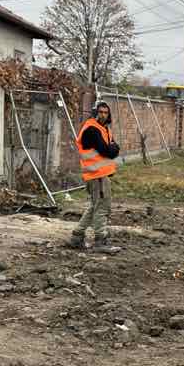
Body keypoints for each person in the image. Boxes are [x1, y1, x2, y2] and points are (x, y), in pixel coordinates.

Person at [70, 101, 121, 253]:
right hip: (97, 175)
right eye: (101, 112)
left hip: (98, 175)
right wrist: (112, 148)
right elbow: (108, 150)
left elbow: (114, 148)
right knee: (102, 207)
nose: (103, 115)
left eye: (106, 112)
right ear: (95, 113)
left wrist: (112, 148)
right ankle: (100, 240)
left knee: (94, 207)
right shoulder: (92, 129)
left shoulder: (103, 129)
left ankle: (77, 236)